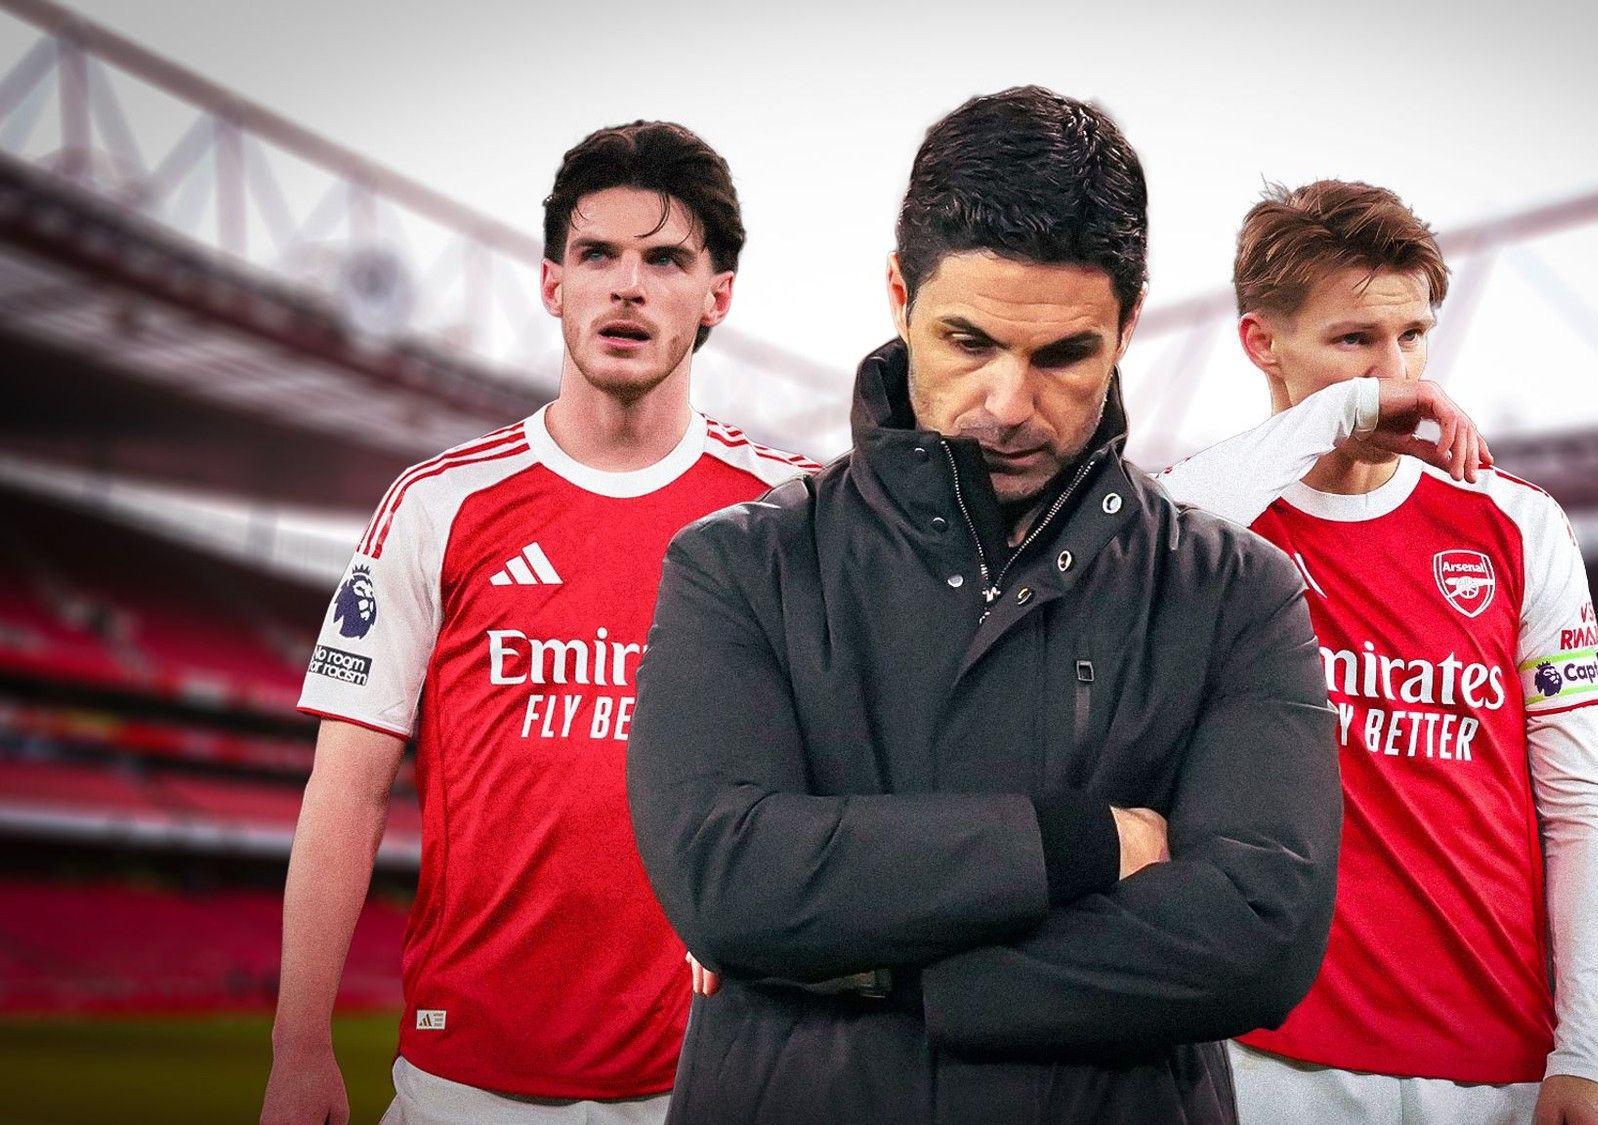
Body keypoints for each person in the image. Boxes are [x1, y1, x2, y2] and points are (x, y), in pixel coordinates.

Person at [626, 86, 1490, 1125]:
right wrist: (1083, 846)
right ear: (899, 296)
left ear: (1128, 325)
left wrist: (883, 971)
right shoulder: (735, 565)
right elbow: (726, 880)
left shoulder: (1237, 591)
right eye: (968, 342)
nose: (1006, 405)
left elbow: (1259, 933)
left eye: (1061, 355)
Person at [260, 121, 814, 1125]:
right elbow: (345, 791)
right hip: (463, 1087)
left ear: (717, 295)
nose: (627, 286)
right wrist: (299, 1047)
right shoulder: (436, 506)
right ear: (553, 282)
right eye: (597, 254)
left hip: (712, 1081)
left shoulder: (790, 512)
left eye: (665, 260)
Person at [1207, 180, 1598, 1125]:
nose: (1396, 375)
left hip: (1497, 1066)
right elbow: (1138, 540)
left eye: (1413, 336)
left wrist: (1585, 1053)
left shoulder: (1517, 524)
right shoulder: (1218, 528)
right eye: (1355, 340)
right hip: (1271, 1057)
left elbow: (1581, 806)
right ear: (1262, 342)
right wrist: (1332, 418)